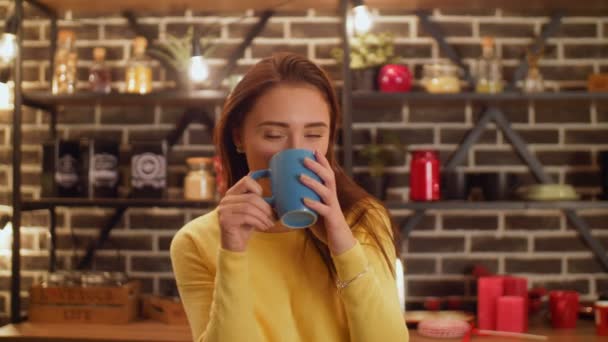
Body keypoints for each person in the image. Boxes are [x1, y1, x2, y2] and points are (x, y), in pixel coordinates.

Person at [170, 52, 409, 342]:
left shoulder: (364, 218)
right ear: (238, 138)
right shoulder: (195, 241)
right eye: (273, 135)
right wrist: (233, 252)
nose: (295, 148)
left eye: (313, 134)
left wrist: (343, 244)